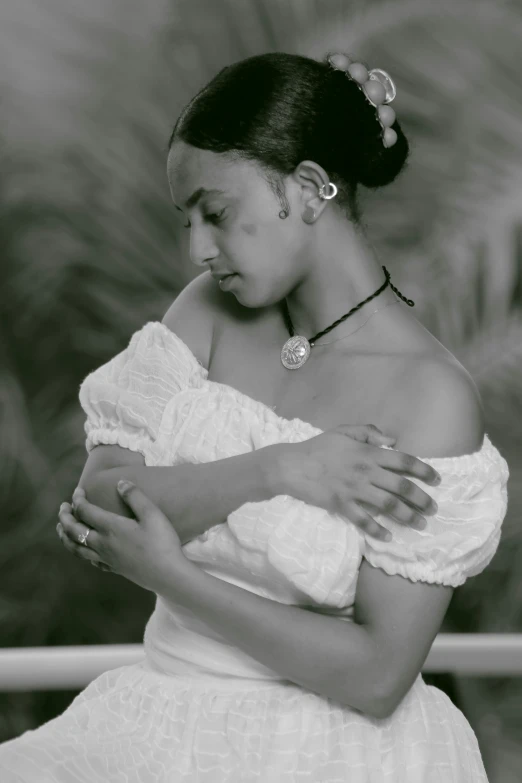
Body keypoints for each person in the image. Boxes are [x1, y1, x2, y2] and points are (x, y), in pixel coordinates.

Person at [0, 51, 509, 782]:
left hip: (328, 753)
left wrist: (174, 575)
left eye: (218, 213)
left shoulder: (430, 396)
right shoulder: (205, 312)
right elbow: (100, 499)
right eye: (187, 220)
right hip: (149, 723)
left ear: (306, 188)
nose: (198, 250)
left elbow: (375, 675)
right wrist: (282, 469)